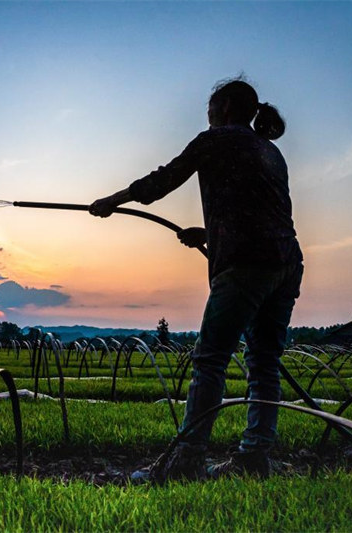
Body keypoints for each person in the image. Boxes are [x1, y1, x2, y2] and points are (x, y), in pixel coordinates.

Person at [90, 77, 304, 481]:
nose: (207, 116)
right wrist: (208, 234)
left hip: (246, 265)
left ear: (225, 108)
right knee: (264, 363)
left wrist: (111, 202)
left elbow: (160, 181)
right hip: (286, 262)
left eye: (210, 108)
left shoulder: (215, 140)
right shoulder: (269, 151)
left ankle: (185, 461)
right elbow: (261, 213)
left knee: (210, 360)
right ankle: (255, 458)